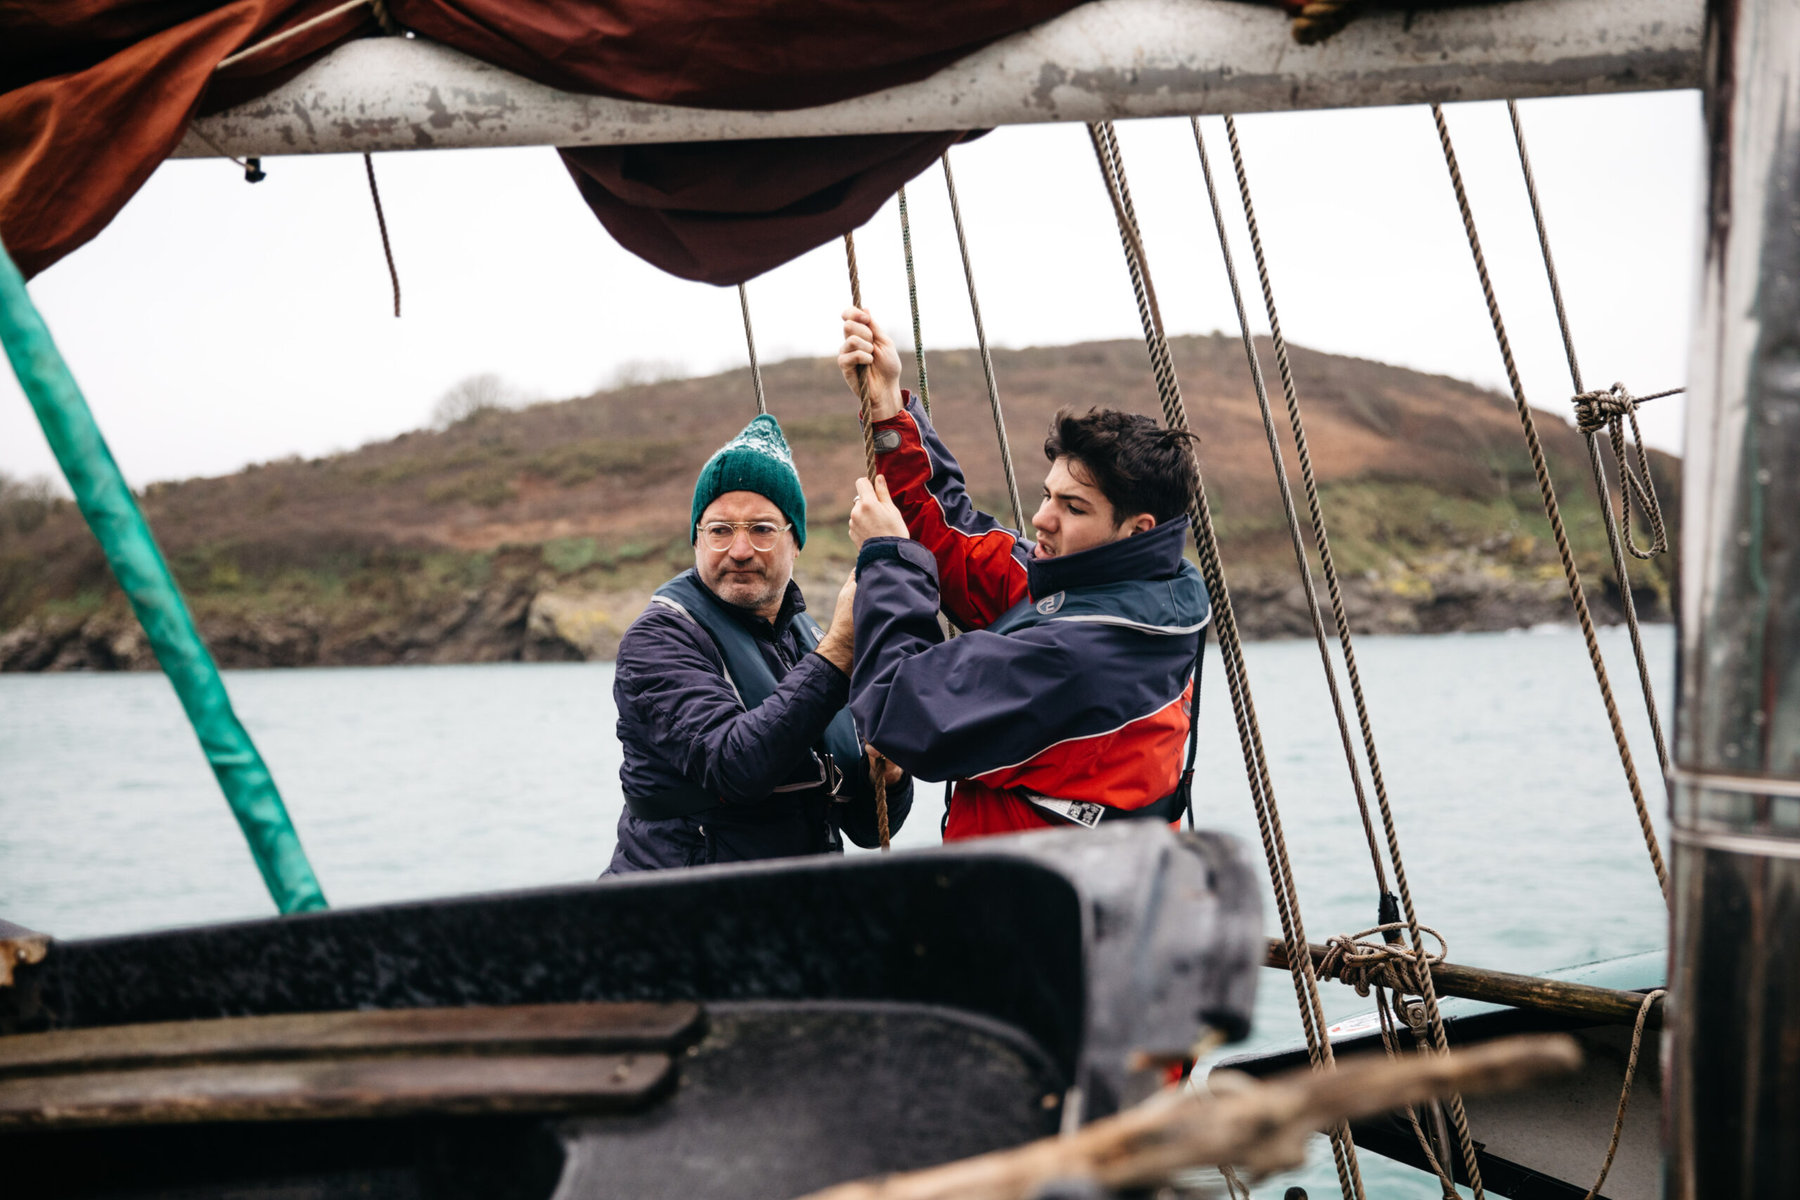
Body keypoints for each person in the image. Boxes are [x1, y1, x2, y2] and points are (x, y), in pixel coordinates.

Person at [838, 308, 1209, 840]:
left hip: (1032, 914)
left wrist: (886, 557)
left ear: (1136, 528)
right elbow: (954, 537)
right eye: (1046, 495)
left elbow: (898, 708)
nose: (1041, 519)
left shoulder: (1078, 654)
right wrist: (888, 410)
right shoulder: (1129, 594)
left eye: (1073, 508)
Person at [605, 413, 910, 873]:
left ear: (796, 543)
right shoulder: (658, 641)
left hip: (791, 919)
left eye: (763, 529)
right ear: (696, 541)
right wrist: (842, 649)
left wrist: (891, 778)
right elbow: (736, 765)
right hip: (680, 921)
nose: (740, 549)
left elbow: (869, 829)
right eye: (720, 530)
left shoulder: (811, 640)